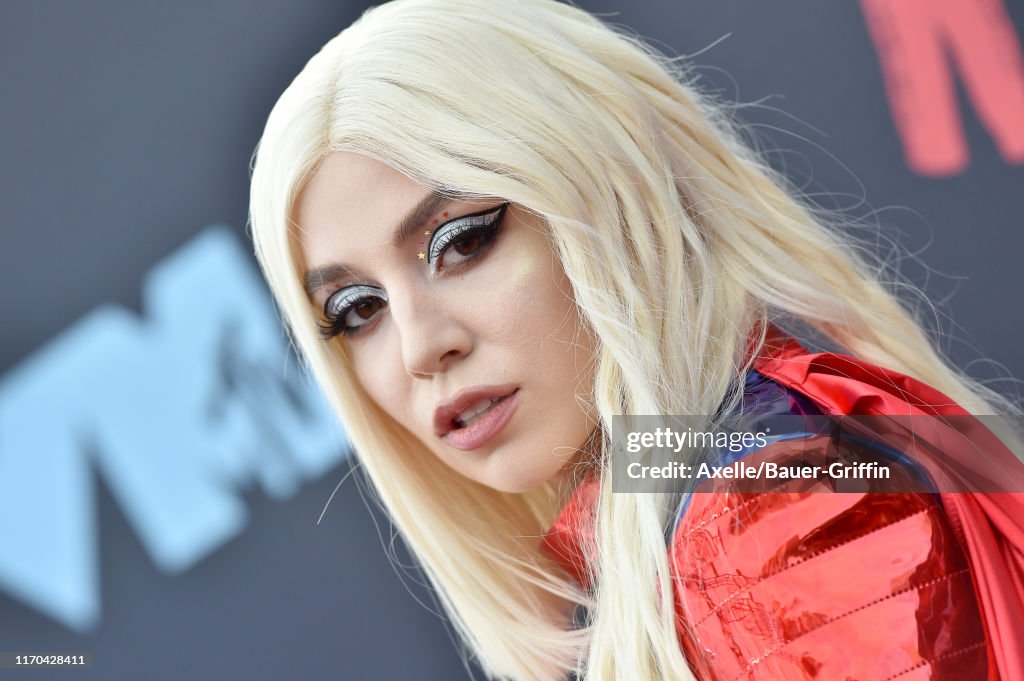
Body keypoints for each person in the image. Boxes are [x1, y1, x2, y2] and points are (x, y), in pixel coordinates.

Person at [247, 0, 1024, 678]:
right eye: (357, 308)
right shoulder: (709, 486)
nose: (421, 346)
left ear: (608, 192)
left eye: (462, 240)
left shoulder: (765, 508)